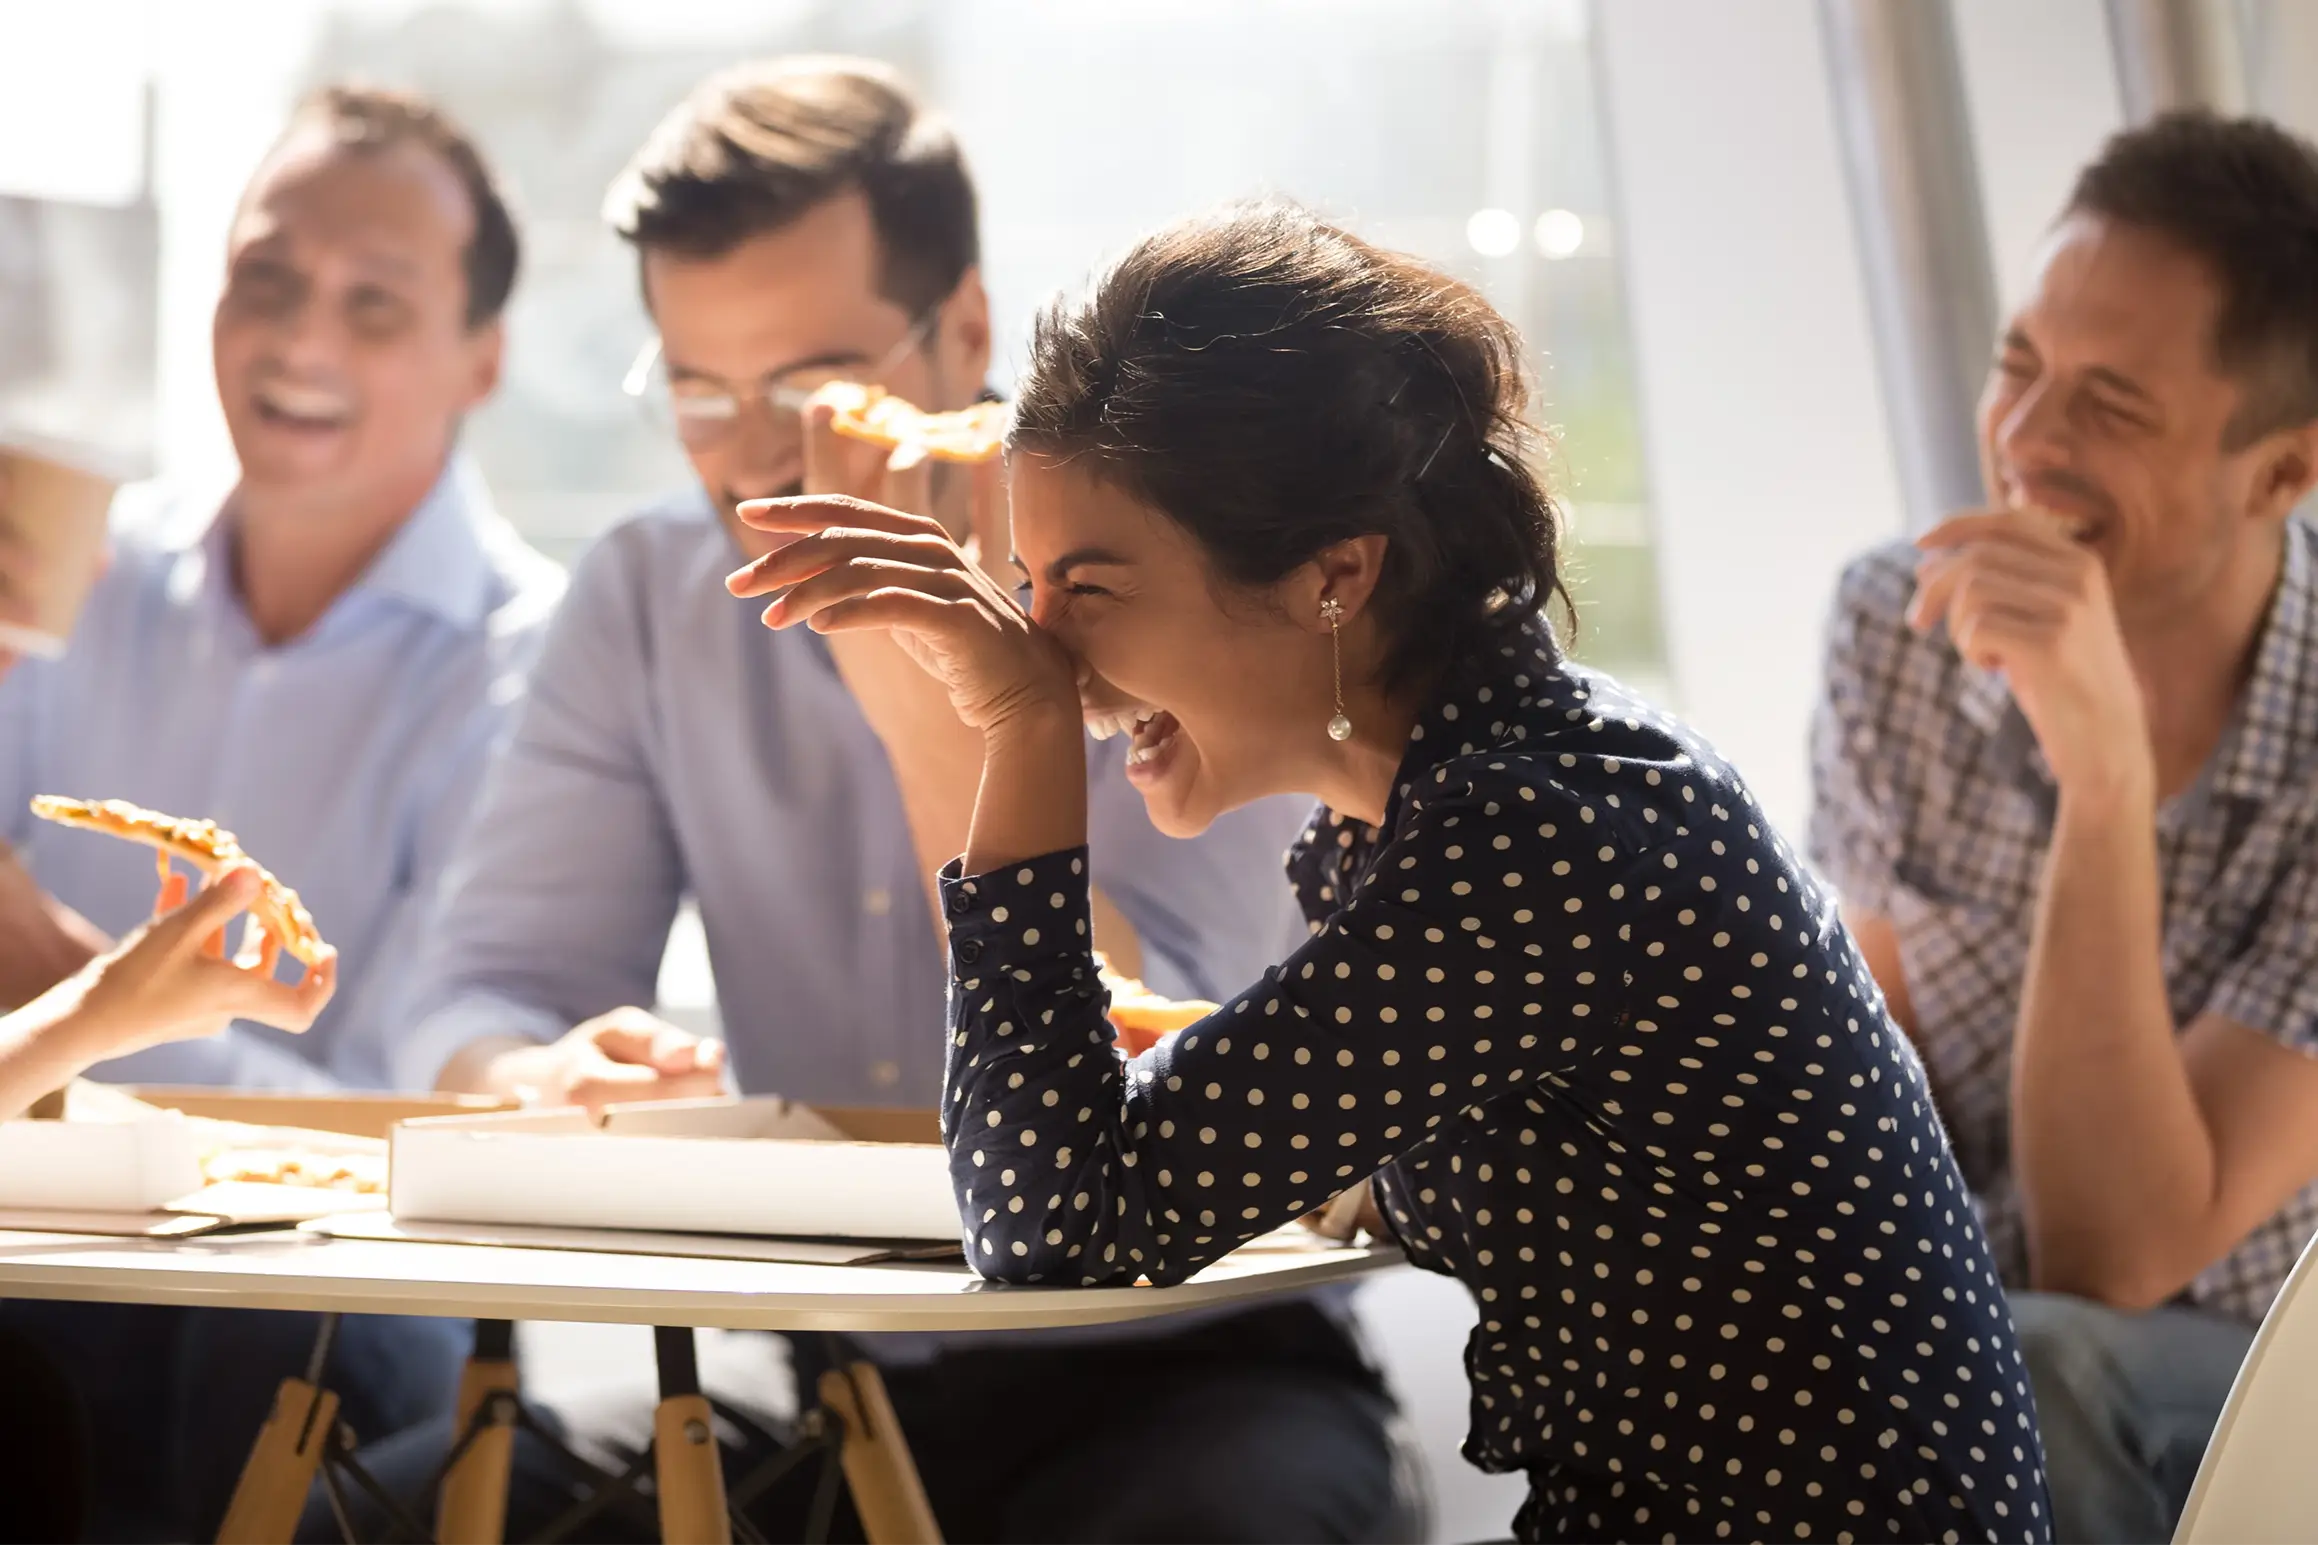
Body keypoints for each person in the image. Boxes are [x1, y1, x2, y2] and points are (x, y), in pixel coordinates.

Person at [723, 199, 2054, 1543]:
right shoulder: (1481, 807)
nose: (1045, 652)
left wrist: (1010, 735)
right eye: (1025, 583)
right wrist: (1215, 1080)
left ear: (1332, 578)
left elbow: (1054, 1222)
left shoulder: (1533, 840)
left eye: (1091, 588)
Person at [313, 57, 1419, 1545]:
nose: (757, 458)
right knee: (385, 1515)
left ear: (963, 328)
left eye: (812, 388)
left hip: (1190, 1369)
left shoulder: (1172, 567)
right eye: (698, 389)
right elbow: (472, 992)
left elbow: (1182, 1078)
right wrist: (535, 1076)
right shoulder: (647, 597)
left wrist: (928, 705)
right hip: (837, 1388)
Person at [0, 84, 562, 1544]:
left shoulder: (534, 664)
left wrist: (108, 1013)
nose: (303, 341)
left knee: (247, 1347)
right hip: (32, 1232)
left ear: (481, 359)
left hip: (332, 1282)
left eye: (375, 303)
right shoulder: (72, 570)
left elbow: (437, 1105)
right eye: (267, 280)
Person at [1810, 111, 2318, 1544]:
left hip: (2256, 1369)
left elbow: (2121, 1253)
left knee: (2024, 1364)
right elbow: (1875, 1053)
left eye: (2112, 405)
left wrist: (2099, 788)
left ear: (2280, 473)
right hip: (1970, 1319)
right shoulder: (1893, 624)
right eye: (2019, 367)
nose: (2025, 442)